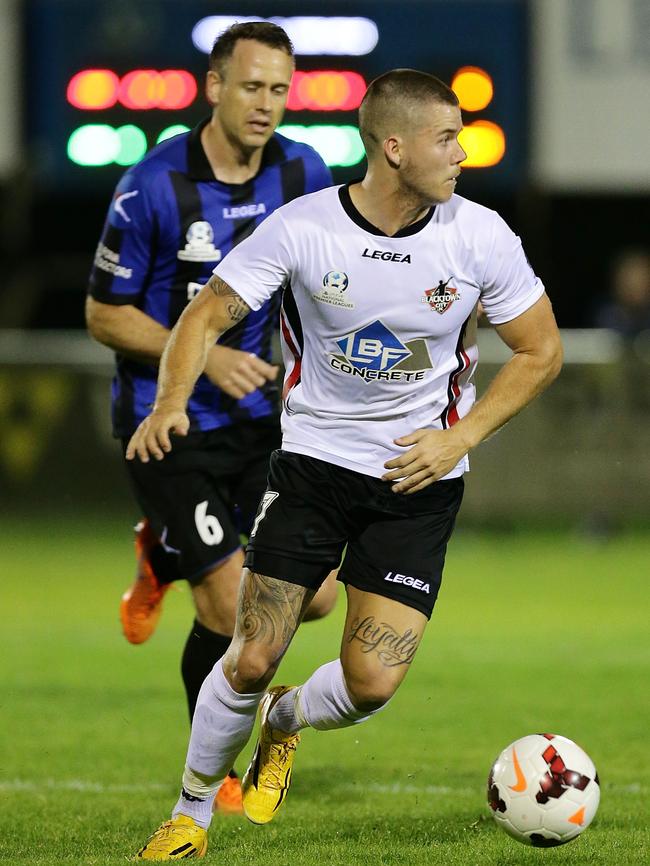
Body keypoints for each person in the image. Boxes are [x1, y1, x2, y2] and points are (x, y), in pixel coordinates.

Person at [126, 68, 563, 860]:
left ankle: (286, 723)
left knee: (371, 684)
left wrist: (458, 440)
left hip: (418, 484)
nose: (461, 153)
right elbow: (206, 314)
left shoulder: (481, 235)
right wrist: (169, 404)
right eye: (446, 138)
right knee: (251, 650)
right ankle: (190, 812)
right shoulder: (303, 230)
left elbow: (542, 352)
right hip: (314, 468)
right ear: (393, 148)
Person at [85, 21, 338, 812]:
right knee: (232, 606)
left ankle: (163, 558)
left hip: (267, 423)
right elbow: (103, 313)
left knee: (319, 595)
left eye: (279, 90)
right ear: (215, 86)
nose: (266, 105)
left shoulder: (305, 171)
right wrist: (208, 357)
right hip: (168, 429)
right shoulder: (153, 184)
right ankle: (220, 774)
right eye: (252, 86)